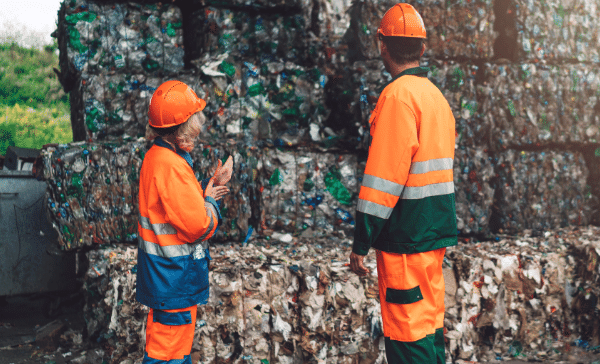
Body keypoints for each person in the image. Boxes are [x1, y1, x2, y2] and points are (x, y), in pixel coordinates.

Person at [348, 4, 457, 364]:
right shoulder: (436, 98)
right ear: (423, 48)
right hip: (432, 233)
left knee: (408, 334)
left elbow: (384, 179)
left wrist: (361, 241)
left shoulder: (397, 98)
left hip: (405, 240)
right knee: (428, 327)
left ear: (382, 44)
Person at [136, 80, 232, 364]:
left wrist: (209, 186)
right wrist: (211, 202)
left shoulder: (158, 158)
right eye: (194, 124)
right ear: (182, 128)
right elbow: (197, 225)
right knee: (167, 356)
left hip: (165, 276)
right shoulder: (171, 165)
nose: (198, 131)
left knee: (174, 353)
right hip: (173, 277)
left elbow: (177, 207)